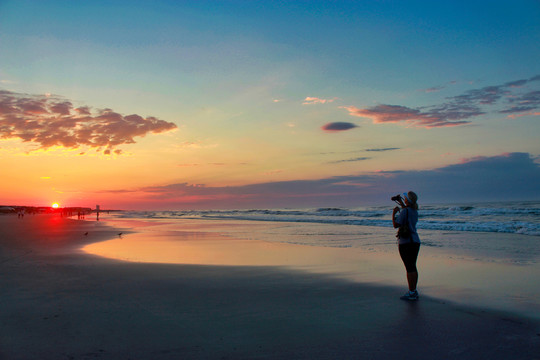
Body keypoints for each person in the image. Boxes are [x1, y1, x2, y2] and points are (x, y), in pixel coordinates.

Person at [392, 191, 420, 301]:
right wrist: (401, 203)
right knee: (413, 266)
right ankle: (414, 290)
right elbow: (406, 212)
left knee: (409, 268)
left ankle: (411, 292)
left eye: (405, 198)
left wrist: (394, 213)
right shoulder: (414, 210)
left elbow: (396, 225)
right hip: (415, 241)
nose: (404, 198)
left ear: (407, 200)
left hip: (406, 242)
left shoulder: (405, 211)